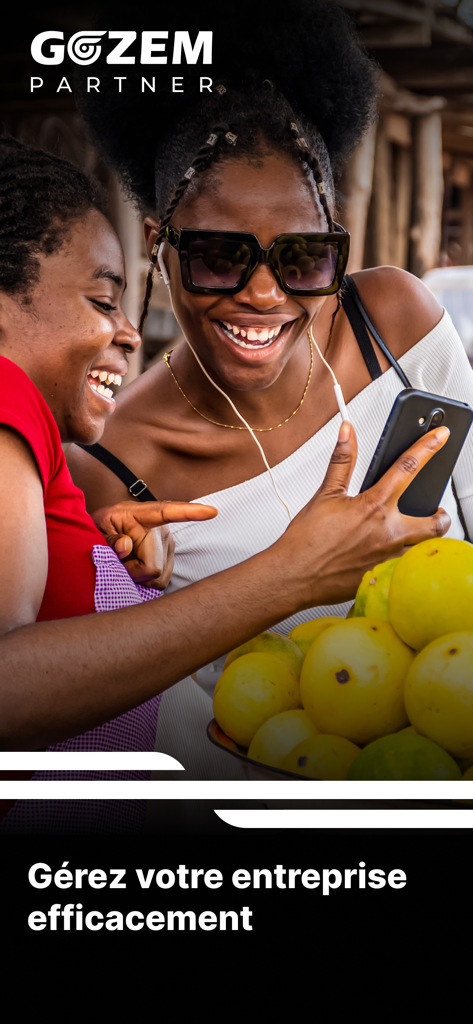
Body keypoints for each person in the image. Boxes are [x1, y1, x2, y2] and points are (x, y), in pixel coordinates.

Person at [67, 1, 473, 782]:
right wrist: (127, 596)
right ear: (160, 241)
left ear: (334, 240)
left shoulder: (394, 324)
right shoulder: (111, 468)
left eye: (301, 258)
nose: (262, 295)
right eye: (220, 256)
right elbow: (154, 713)